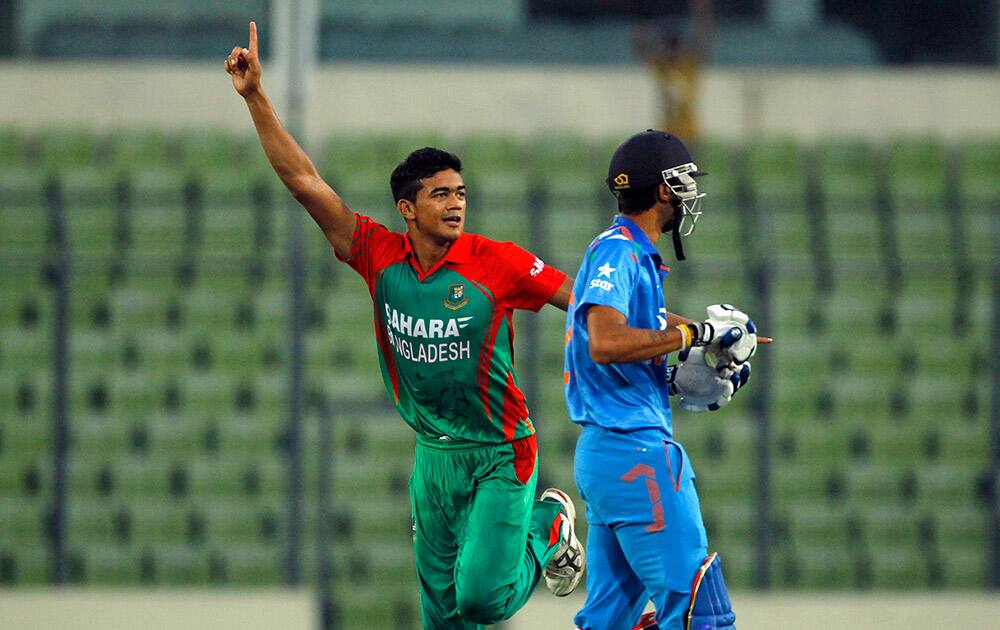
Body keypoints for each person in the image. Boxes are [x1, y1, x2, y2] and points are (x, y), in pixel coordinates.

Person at [224, 22, 585, 630]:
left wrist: (675, 337)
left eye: (461, 192)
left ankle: (548, 529)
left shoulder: (494, 260)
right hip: (433, 457)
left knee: (480, 601)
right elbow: (303, 182)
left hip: (501, 451)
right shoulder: (378, 254)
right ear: (407, 208)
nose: (455, 203)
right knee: (443, 621)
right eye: (440, 194)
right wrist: (256, 96)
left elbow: (584, 300)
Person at [564, 130, 761, 630]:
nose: (691, 193)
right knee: (701, 617)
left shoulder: (626, 254)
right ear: (664, 190)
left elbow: (626, 347)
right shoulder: (620, 252)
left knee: (607, 623)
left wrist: (684, 368)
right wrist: (696, 332)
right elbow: (605, 343)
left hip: (612, 452)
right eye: (685, 182)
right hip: (636, 455)